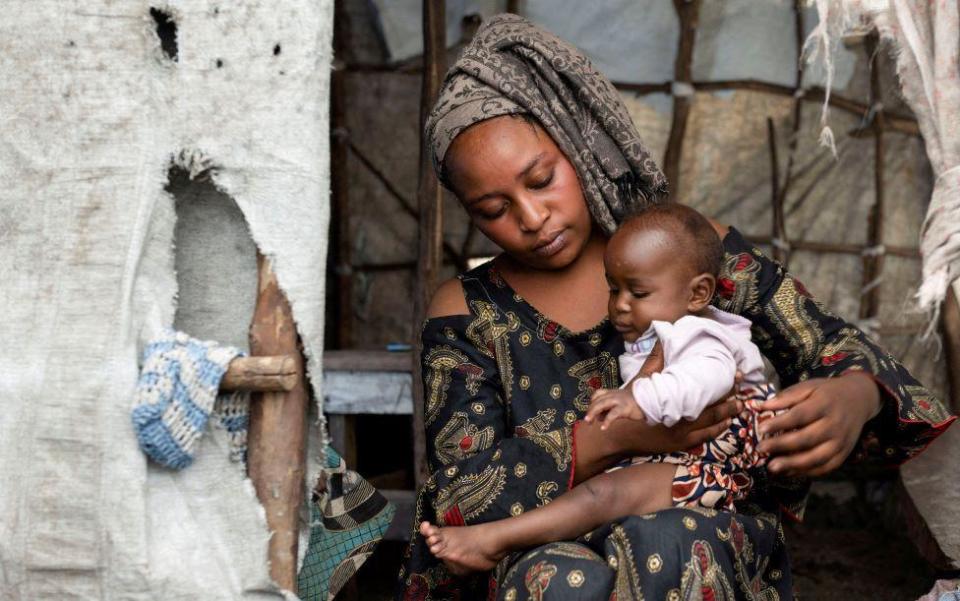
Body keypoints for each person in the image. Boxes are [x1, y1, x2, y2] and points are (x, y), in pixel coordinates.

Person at [397, 14, 955, 601]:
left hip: (699, 526)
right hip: (541, 547)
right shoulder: (467, 311)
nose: (532, 218)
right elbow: (460, 496)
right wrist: (616, 437)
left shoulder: (690, 256)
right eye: (492, 209)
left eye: (541, 179)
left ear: (577, 140)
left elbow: (839, 348)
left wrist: (854, 395)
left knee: (672, 544)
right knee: (559, 579)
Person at [418, 203, 783, 576]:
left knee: (600, 497)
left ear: (698, 292)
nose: (620, 306)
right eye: (613, 289)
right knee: (595, 499)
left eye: (637, 293)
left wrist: (636, 399)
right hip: (681, 460)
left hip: (713, 469)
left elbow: (707, 383)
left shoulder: (704, 333)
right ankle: (496, 540)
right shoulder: (660, 332)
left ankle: (495, 541)